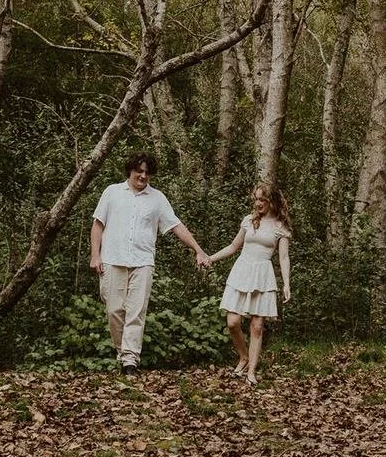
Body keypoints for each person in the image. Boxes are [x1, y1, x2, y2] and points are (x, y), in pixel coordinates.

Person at [91, 152, 211, 374]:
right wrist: (95, 255)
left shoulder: (157, 198)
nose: (143, 176)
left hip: (143, 261)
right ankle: (123, 352)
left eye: (147, 172)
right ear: (130, 170)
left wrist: (198, 249)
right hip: (112, 259)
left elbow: (176, 226)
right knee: (114, 309)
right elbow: (98, 224)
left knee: (136, 312)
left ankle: (129, 361)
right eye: (139, 171)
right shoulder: (112, 192)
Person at [207, 183, 292, 386]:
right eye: (256, 199)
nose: (258, 203)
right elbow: (233, 247)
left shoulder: (281, 227)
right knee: (233, 322)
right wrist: (211, 258)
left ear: (272, 201)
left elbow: (284, 258)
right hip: (242, 272)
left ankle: (251, 371)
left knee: (256, 326)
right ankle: (243, 357)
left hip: (262, 275)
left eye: (262, 199)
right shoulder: (248, 220)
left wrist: (286, 284)